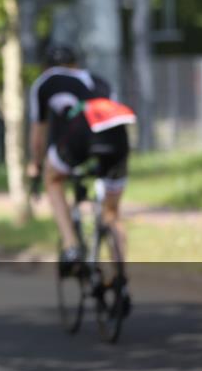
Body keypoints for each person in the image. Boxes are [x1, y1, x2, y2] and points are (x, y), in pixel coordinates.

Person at [26, 45, 136, 287]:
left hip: (80, 132)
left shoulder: (44, 82)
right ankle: (120, 280)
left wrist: (35, 164)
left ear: (46, 66)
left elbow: (38, 135)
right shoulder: (100, 81)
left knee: (53, 180)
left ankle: (71, 245)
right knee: (112, 213)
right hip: (117, 137)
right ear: (76, 64)